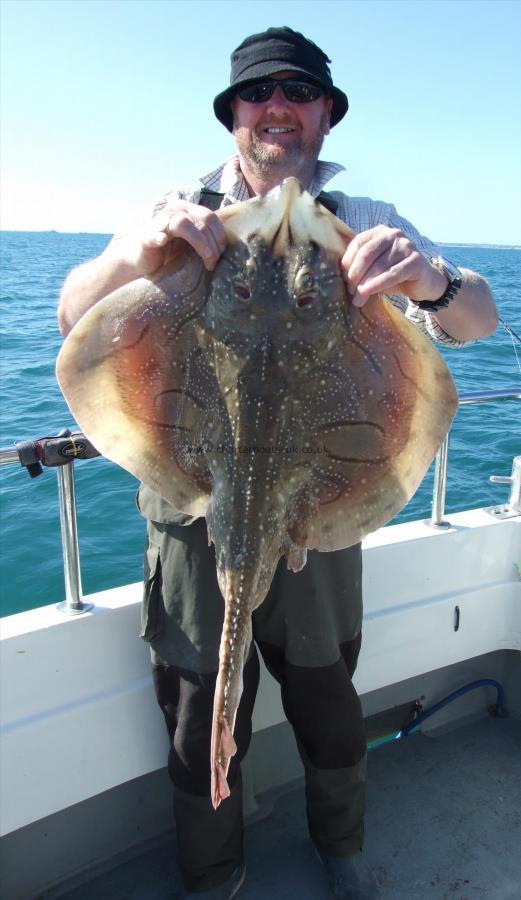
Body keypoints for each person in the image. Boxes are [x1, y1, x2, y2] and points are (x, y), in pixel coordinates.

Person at [57, 26, 498, 900]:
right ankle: (213, 871)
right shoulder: (177, 209)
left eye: (298, 93)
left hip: (315, 504)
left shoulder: (369, 222)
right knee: (197, 702)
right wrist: (133, 256)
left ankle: (339, 846)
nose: (277, 108)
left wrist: (425, 282)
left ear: (325, 115)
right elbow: (75, 315)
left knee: (326, 693)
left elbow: (475, 319)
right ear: (233, 118)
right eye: (258, 95)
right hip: (194, 496)